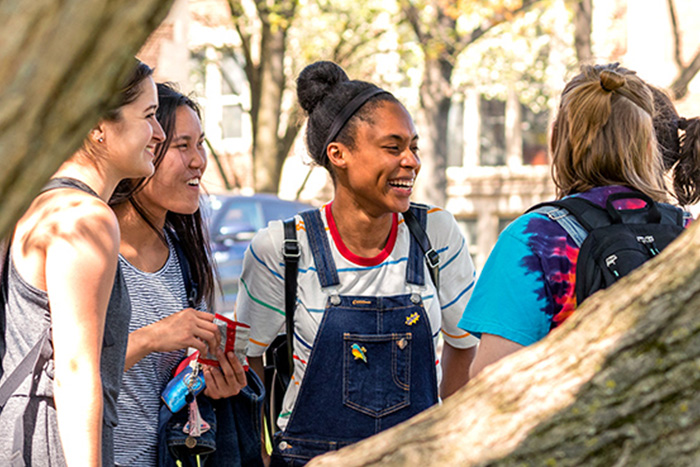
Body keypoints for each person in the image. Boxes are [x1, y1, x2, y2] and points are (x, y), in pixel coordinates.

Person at [237, 60, 478, 465]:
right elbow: (247, 361)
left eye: (413, 147)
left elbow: (464, 345)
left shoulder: (436, 234)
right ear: (339, 154)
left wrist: (445, 439)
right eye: (393, 147)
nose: (411, 161)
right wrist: (258, 455)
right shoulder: (283, 248)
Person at [458, 63, 696, 378]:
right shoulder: (687, 234)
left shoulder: (534, 240)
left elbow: (490, 382)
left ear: (557, 138)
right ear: (650, 145)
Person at [0, 59, 164, 466]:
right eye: (149, 116)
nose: (159, 133)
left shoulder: (41, 202)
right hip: (49, 442)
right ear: (97, 127)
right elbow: (74, 369)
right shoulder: (83, 218)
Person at [109, 82, 247, 466]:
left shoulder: (185, 256)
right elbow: (61, 370)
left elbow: (171, 389)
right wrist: (153, 338)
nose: (199, 161)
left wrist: (215, 381)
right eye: (182, 146)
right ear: (143, 146)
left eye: (201, 144)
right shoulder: (93, 248)